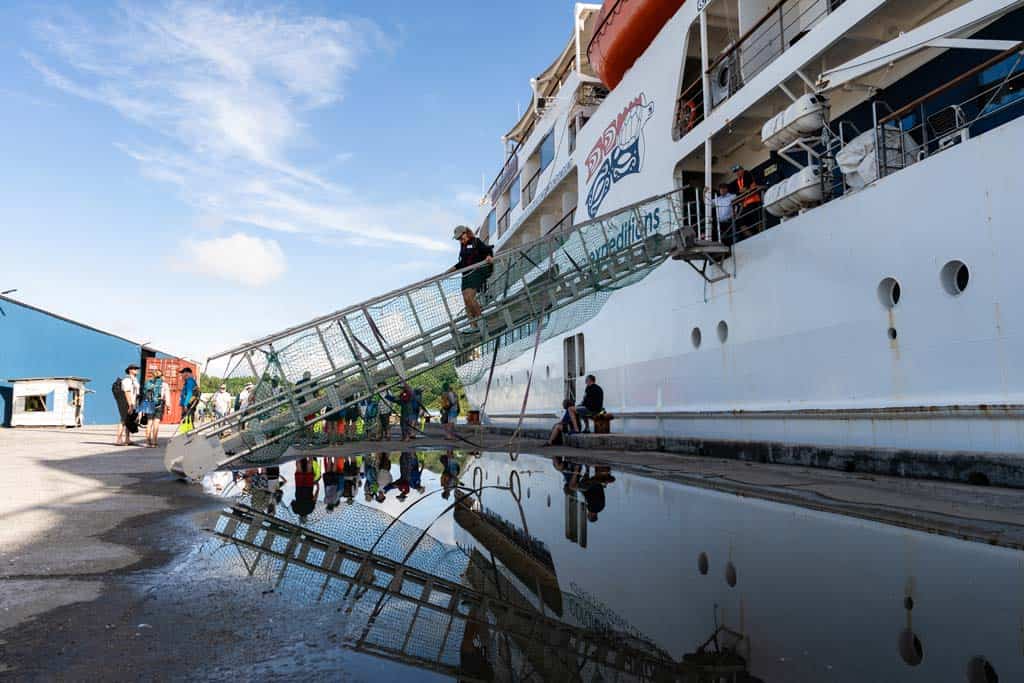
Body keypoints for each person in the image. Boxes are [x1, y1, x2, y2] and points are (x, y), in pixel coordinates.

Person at [447, 225, 494, 322]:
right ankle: (473, 326)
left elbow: (487, 250)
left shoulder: (476, 241)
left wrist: (489, 257)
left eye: (461, 237)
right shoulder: (463, 247)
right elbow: (461, 264)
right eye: (458, 239)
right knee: (466, 300)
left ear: (466, 233)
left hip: (477, 271)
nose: (460, 240)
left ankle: (481, 322)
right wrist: (446, 272)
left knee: (469, 297)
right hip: (466, 275)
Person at [142, 368, 171, 447]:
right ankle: (154, 443)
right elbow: (167, 397)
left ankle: (148, 442)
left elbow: (145, 395)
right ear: (161, 376)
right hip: (159, 404)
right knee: (156, 423)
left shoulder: (148, 383)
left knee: (149, 423)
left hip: (149, 403)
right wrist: (168, 407)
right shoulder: (164, 384)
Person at [730, 164, 763, 234]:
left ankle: (762, 232)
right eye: (735, 172)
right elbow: (739, 192)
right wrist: (742, 191)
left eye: (738, 171)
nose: (737, 173)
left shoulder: (747, 174)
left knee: (756, 220)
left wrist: (742, 191)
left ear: (742, 170)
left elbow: (745, 188)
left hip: (753, 201)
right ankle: (750, 236)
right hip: (745, 204)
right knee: (739, 221)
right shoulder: (738, 180)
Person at [115, 364, 141, 446]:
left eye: (137, 369)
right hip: (127, 402)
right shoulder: (127, 380)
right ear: (130, 370)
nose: (137, 370)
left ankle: (127, 439)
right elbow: (127, 392)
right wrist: (130, 404)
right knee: (123, 420)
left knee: (129, 421)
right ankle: (118, 439)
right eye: (135, 369)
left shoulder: (135, 379)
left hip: (133, 402)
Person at [291, 457, 319, 522]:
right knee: (299, 469)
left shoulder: (310, 510)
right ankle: (298, 454)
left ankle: (310, 454)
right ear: (299, 518)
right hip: (299, 488)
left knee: (309, 470)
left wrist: (317, 488)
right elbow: (292, 501)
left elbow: (315, 498)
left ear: (306, 517)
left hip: (308, 488)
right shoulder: (296, 511)